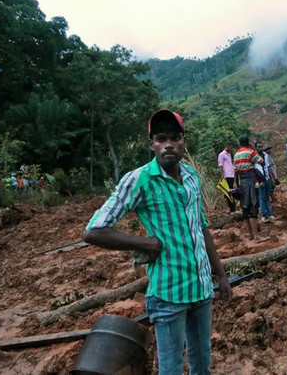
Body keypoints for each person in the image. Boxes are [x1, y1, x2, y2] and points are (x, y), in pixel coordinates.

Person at [84, 109, 231, 375]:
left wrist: (220, 274)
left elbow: (201, 227)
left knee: (202, 364)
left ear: (183, 141)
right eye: (161, 139)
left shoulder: (191, 177)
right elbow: (94, 230)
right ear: (151, 143)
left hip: (201, 289)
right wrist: (145, 243)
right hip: (168, 295)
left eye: (175, 138)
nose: (169, 145)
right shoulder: (140, 179)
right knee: (171, 368)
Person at [233, 135, 267, 241]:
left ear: (239, 143)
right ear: (248, 143)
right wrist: (252, 149)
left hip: (242, 182)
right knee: (253, 208)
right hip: (251, 181)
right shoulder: (250, 152)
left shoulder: (236, 155)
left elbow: (235, 172)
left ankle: (251, 234)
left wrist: (237, 184)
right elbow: (262, 162)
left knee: (245, 208)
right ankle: (256, 236)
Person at [255, 141, 275, 223]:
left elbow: (268, 167)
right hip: (260, 180)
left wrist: (272, 178)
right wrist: (258, 182)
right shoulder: (254, 157)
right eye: (259, 147)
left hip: (267, 178)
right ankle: (264, 215)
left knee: (267, 196)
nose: (261, 148)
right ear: (256, 148)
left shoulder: (266, 156)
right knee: (261, 197)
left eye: (261, 147)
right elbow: (254, 171)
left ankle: (269, 214)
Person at [217, 141, 236, 213]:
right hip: (226, 176)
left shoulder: (229, 154)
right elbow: (220, 165)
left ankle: (232, 208)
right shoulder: (221, 154)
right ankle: (231, 209)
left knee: (230, 192)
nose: (231, 148)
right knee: (228, 192)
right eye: (231, 147)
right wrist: (222, 176)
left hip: (231, 175)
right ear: (228, 146)